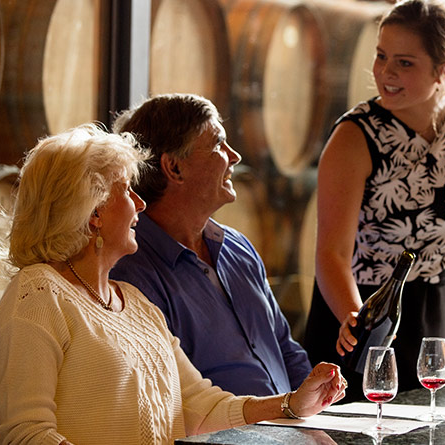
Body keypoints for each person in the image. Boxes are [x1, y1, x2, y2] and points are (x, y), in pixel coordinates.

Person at [0, 124, 346, 445]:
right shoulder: (37, 295)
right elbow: (26, 433)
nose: (141, 204)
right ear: (93, 212)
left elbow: (203, 409)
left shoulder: (135, 303)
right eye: (127, 191)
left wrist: (291, 404)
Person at [303, 0, 445, 400]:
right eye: (381, 56)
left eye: (404, 63)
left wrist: (432, 242)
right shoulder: (354, 136)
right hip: (361, 308)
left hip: (438, 305)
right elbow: (331, 252)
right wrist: (358, 319)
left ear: (444, 70)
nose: (385, 73)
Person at [108, 93, 313, 397]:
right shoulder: (133, 272)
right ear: (174, 168)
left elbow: (286, 349)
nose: (234, 156)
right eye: (218, 144)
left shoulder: (238, 248)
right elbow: (170, 396)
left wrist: (317, 410)